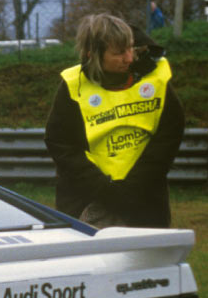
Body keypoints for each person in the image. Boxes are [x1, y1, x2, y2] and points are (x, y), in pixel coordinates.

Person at [44, 15, 185, 228]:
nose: (129, 58)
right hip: (87, 199)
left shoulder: (154, 79)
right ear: (92, 54)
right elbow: (60, 143)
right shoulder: (74, 86)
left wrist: (135, 184)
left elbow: (169, 135)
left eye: (130, 48)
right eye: (119, 53)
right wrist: (105, 189)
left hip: (145, 197)